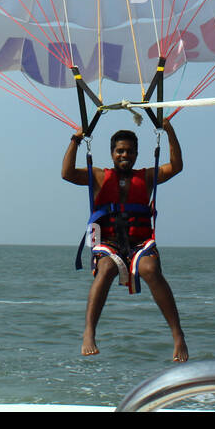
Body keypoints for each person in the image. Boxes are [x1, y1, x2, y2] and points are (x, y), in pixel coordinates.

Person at [62, 119, 188, 361]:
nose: (125, 155)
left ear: (137, 154)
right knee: (107, 267)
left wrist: (170, 130)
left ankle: (178, 335)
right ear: (112, 153)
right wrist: (76, 141)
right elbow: (67, 174)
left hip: (139, 241)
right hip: (107, 241)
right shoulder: (99, 176)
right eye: (120, 150)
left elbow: (176, 166)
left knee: (151, 268)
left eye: (129, 151)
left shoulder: (147, 176)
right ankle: (89, 332)